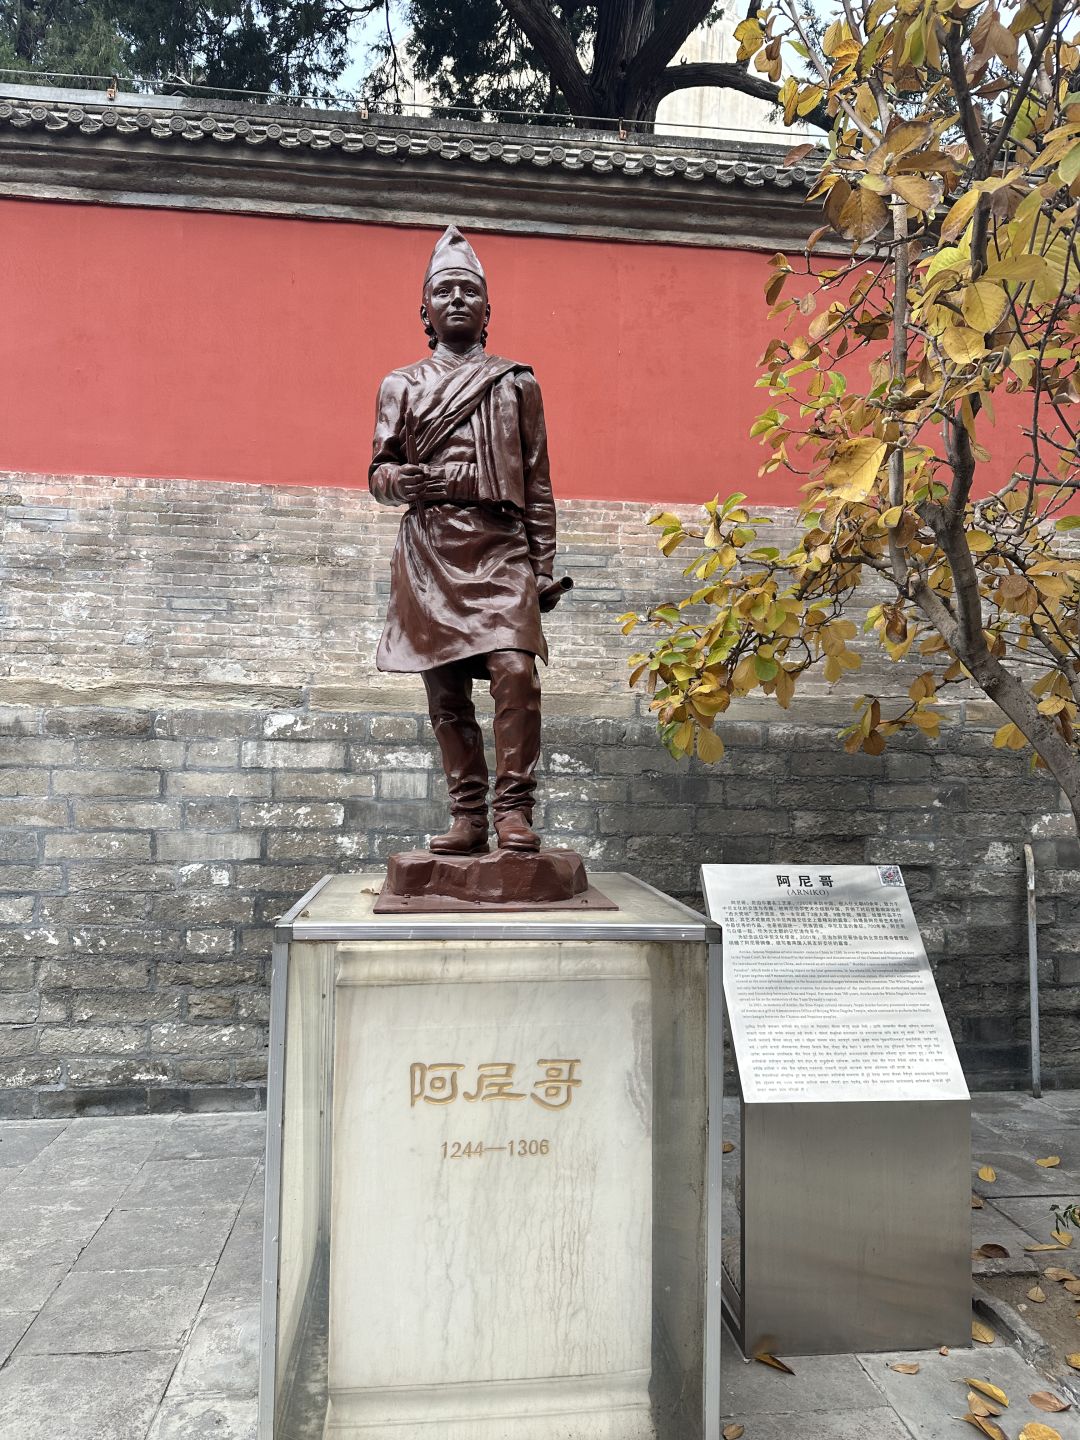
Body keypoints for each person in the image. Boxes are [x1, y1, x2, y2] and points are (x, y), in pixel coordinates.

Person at [369, 226, 566, 855]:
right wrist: (400, 478)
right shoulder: (400, 384)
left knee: (516, 673)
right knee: (446, 688)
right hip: (430, 547)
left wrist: (543, 563)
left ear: (488, 310)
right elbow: (377, 472)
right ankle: (468, 816)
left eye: (469, 291)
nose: (457, 300)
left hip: (500, 542)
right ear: (424, 311)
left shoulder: (516, 384)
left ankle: (514, 809)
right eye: (444, 291)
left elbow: (537, 480)